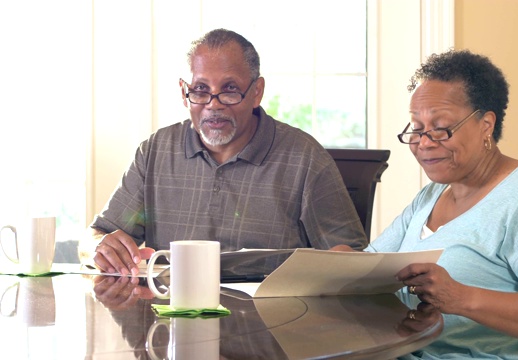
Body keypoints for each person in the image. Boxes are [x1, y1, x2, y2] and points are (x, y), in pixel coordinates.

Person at [334, 49, 518, 358]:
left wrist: (460, 298)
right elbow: (374, 270)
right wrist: (344, 266)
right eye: (416, 129)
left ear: (485, 125)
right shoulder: (429, 198)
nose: (425, 142)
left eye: (441, 128)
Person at [80, 28, 367, 276]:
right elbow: (96, 235)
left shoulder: (305, 158)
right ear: (184, 92)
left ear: (257, 91)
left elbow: (351, 259)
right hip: (171, 326)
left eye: (229, 89)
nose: (213, 104)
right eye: (201, 89)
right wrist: (97, 247)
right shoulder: (155, 151)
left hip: (272, 328)